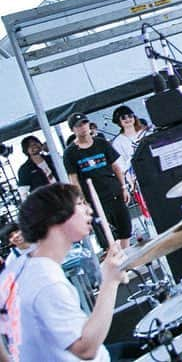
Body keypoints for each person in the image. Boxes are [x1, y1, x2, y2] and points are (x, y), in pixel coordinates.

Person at [0, 183, 128, 361]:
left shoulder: (23, 266)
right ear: (57, 218)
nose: (89, 210)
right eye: (81, 204)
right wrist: (110, 281)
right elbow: (86, 349)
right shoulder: (46, 282)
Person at [62, 113, 131, 250]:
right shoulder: (70, 153)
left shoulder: (101, 143)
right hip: (93, 198)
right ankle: (117, 260)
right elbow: (73, 179)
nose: (83, 127)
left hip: (114, 191)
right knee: (106, 235)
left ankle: (127, 256)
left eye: (84, 123)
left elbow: (116, 166)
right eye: (78, 126)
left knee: (125, 229)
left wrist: (124, 187)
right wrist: (82, 200)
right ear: (73, 130)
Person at [109, 106, 150, 190]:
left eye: (130, 116)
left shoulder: (146, 133)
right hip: (138, 178)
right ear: (119, 121)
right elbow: (122, 166)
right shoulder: (117, 142)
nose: (128, 119)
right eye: (123, 117)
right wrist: (131, 183)